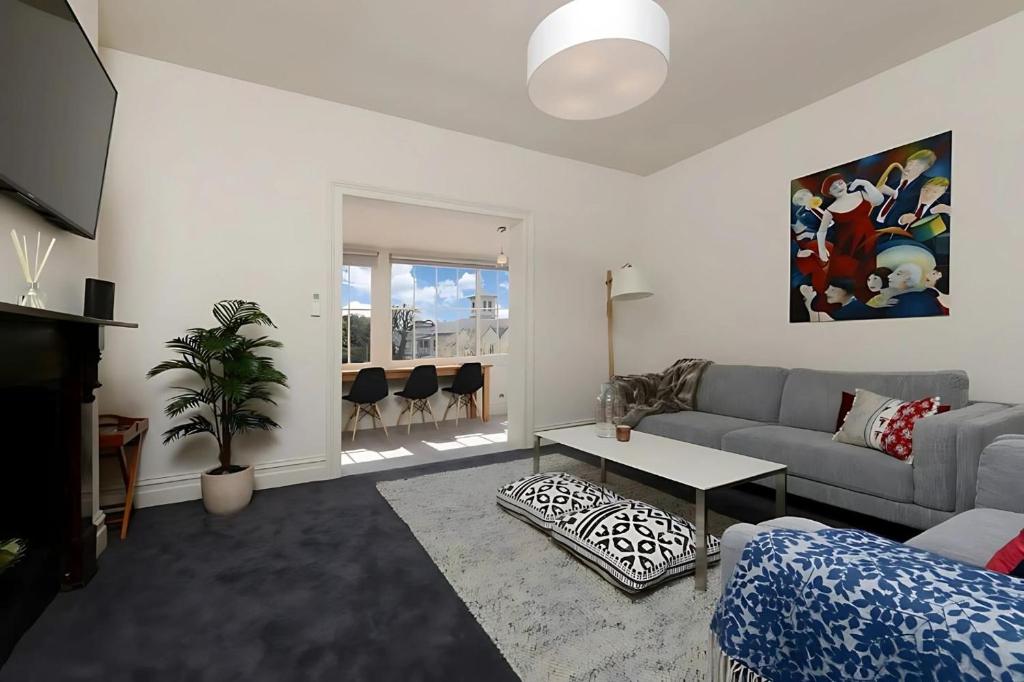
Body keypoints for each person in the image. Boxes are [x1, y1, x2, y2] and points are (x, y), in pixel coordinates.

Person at [816, 173, 885, 301]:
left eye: (840, 183)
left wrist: (864, 183)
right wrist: (822, 252)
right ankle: (847, 299)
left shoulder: (860, 194)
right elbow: (821, 232)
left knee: (867, 270)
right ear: (830, 193)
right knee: (848, 273)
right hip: (847, 246)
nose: (838, 187)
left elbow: (879, 200)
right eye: (834, 187)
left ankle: (867, 299)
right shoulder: (830, 210)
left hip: (868, 240)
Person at [874, 149, 939, 227]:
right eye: (910, 163)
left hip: (894, 231)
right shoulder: (893, 184)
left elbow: (911, 200)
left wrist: (894, 194)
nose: (910, 167)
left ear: (924, 169)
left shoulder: (926, 184)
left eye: (917, 165)